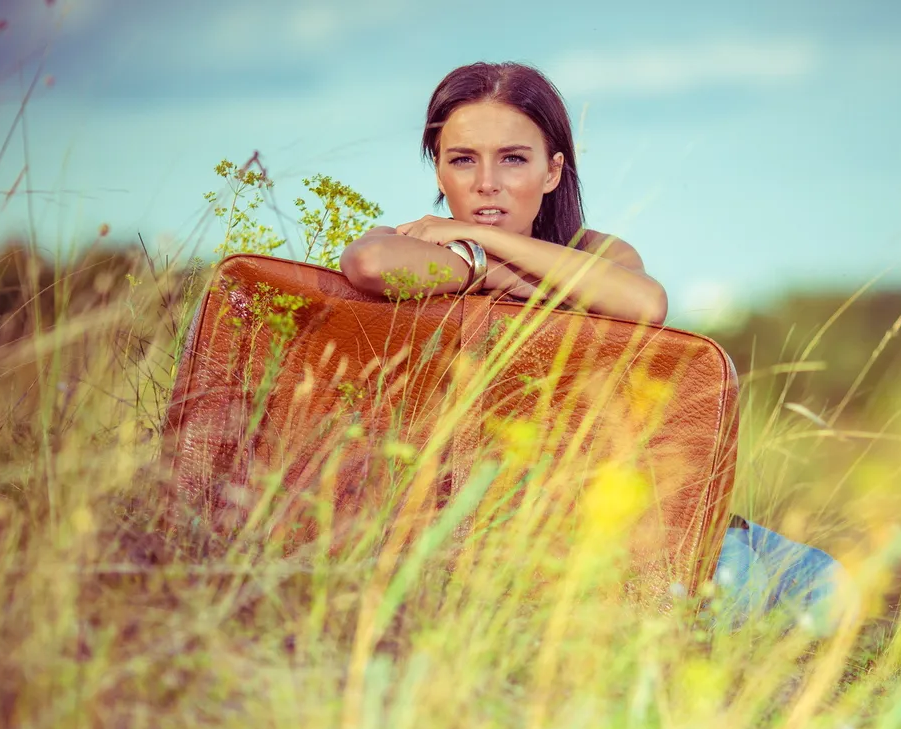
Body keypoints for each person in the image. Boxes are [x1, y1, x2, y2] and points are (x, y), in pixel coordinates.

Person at [339, 61, 837, 629]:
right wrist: (513, 272)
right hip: (542, 546)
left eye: (513, 159)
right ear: (439, 170)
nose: (486, 183)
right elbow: (369, 263)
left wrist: (474, 242)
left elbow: (645, 302)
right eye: (463, 160)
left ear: (552, 171)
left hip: (649, 526)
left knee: (828, 590)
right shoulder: (410, 241)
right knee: (737, 603)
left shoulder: (598, 252)